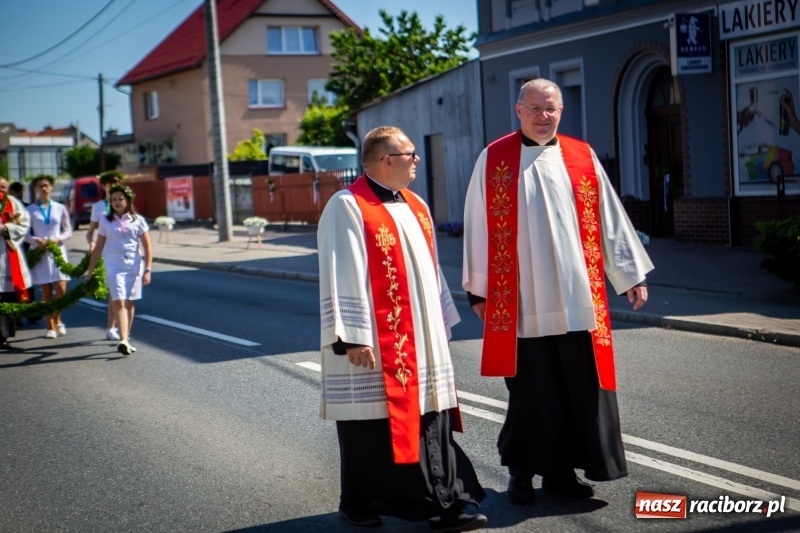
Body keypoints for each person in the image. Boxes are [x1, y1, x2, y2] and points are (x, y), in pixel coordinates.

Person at [462, 78, 654, 504]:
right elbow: (478, 225)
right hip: (522, 302)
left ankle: (562, 476)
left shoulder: (581, 156)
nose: (543, 116)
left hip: (576, 300)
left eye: (551, 109)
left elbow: (609, 219)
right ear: (518, 110)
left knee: (577, 389)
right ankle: (520, 474)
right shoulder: (495, 158)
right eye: (535, 108)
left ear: (561, 111)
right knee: (530, 393)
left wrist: (630, 274)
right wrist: (480, 291)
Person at [318, 126, 487, 532]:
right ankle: (376, 502)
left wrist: (440, 319)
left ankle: (438, 501)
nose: (417, 160)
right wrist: (352, 337)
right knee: (368, 427)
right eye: (410, 154)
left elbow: (429, 269)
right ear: (386, 161)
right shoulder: (348, 206)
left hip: (420, 339)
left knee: (425, 417)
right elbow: (342, 270)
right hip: (376, 340)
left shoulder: (416, 204)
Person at [84, 184, 152, 356]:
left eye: (120, 198)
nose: (117, 202)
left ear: (128, 200)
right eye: (114, 199)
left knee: (130, 301)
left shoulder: (138, 220)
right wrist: (90, 270)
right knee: (119, 300)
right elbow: (99, 246)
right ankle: (122, 340)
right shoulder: (105, 220)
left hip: (134, 265)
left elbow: (147, 247)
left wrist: (148, 269)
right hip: (113, 264)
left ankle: (126, 339)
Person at [24, 175, 72, 339]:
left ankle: (57, 319)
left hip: (57, 251)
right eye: (40, 186)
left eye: (46, 185)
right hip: (40, 252)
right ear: (36, 189)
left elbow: (68, 230)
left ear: (51, 187)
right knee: (46, 292)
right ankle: (50, 327)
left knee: (61, 289)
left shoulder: (60, 207)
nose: (43, 188)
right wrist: (36, 240)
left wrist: (59, 238)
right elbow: (25, 233)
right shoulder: (30, 210)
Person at [87, 170, 124, 341]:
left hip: (123, 254)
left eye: (116, 182)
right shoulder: (99, 207)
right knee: (115, 293)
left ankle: (114, 327)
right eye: (109, 183)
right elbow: (90, 231)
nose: (113, 185)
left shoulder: (125, 203)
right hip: (107, 253)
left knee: (119, 293)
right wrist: (91, 243)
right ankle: (112, 327)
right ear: (103, 186)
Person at [0, 176, 33, 349]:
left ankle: (3, 335)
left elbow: (24, 223)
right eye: (0, 186)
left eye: (4, 186)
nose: (3, 189)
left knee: (8, 297)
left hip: (8, 251)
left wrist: (6, 228)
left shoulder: (12, 202)